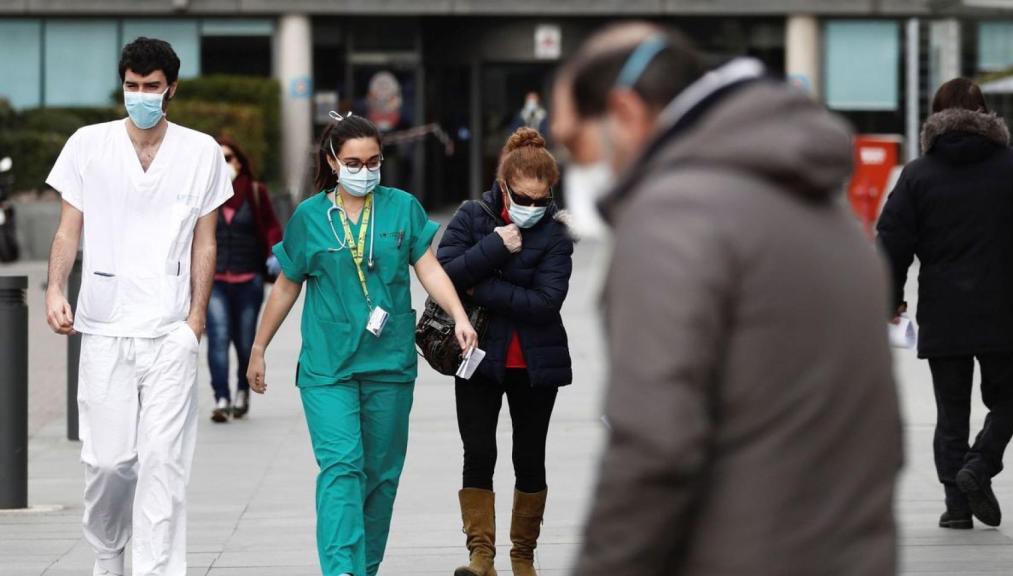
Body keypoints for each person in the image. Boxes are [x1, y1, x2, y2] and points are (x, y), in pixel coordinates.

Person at [552, 23, 903, 575]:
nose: (574, 166)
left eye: (573, 142)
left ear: (624, 112)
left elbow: (652, 450)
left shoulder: (673, 217)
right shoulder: (817, 201)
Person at [245, 112, 477, 576]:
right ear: (333, 161)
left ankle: (364, 567)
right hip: (327, 367)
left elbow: (428, 267)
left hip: (389, 364)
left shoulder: (402, 208)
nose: (365, 171)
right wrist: (258, 348)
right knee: (342, 467)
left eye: (373, 162)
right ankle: (341, 570)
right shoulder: (310, 217)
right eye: (354, 163)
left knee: (381, 476)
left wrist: (458, 315)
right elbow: (287, 284)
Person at [43, 37, 233, 576]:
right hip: (104, 325)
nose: (141, 95)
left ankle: (155, 569)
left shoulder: (200, 152)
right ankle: (108, 552)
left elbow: (205, 242)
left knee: (162, 462)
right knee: (107, 462)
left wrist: (194, 322)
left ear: (171, 89)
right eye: (132, 86)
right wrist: (55, 289)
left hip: (170, 328)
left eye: (152, 86)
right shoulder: (87, 144)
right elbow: (68, 230)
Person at [877, 78, 1013, 530]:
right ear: (985, 113)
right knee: (1011, 398)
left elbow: (892, 242)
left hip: (944, 311)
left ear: (935, 116)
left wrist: (891, 299)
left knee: (951, 412)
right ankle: (979, 465)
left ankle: (957, 507)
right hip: (1008, 308)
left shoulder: (918, 174)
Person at [437, 127, 574, 576]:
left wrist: (480, 286)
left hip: (536, 363)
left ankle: (523, 556)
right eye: (523, 198)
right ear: (503, 185)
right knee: (478, 453)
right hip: (478, 356)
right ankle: (481, 556)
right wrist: (496, 245)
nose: (532, 207)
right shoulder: (472, 217)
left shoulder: (556, 234)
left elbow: (545, 302)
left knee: (529, 457)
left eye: (541, 200)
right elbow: (444, 275)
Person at [207, 139, 283, 422]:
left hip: (248, 278)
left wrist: (274, 252)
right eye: (218, 159)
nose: (224, 164)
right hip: (215, 280)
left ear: (239, 161)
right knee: (218, 337)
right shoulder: (205, 194)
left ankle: (242, 391)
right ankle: (221, 397)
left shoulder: (254, 191)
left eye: (228, 158)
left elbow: (272, 226)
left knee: (244, 340)